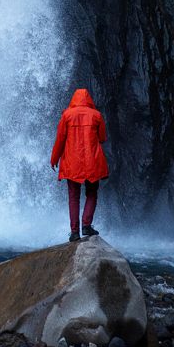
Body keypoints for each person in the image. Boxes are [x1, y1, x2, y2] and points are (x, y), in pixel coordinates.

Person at [50, 88, 108, 242]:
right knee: (92, 193)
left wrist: (54, 158)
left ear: (74, 100)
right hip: (92, 161)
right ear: (89, 100)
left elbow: (60, 139)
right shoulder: (96, 115)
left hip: (72, 162)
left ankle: (74, 231)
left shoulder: (67, 115)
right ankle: (86, 225)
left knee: (73, 197)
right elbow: (102, 138)